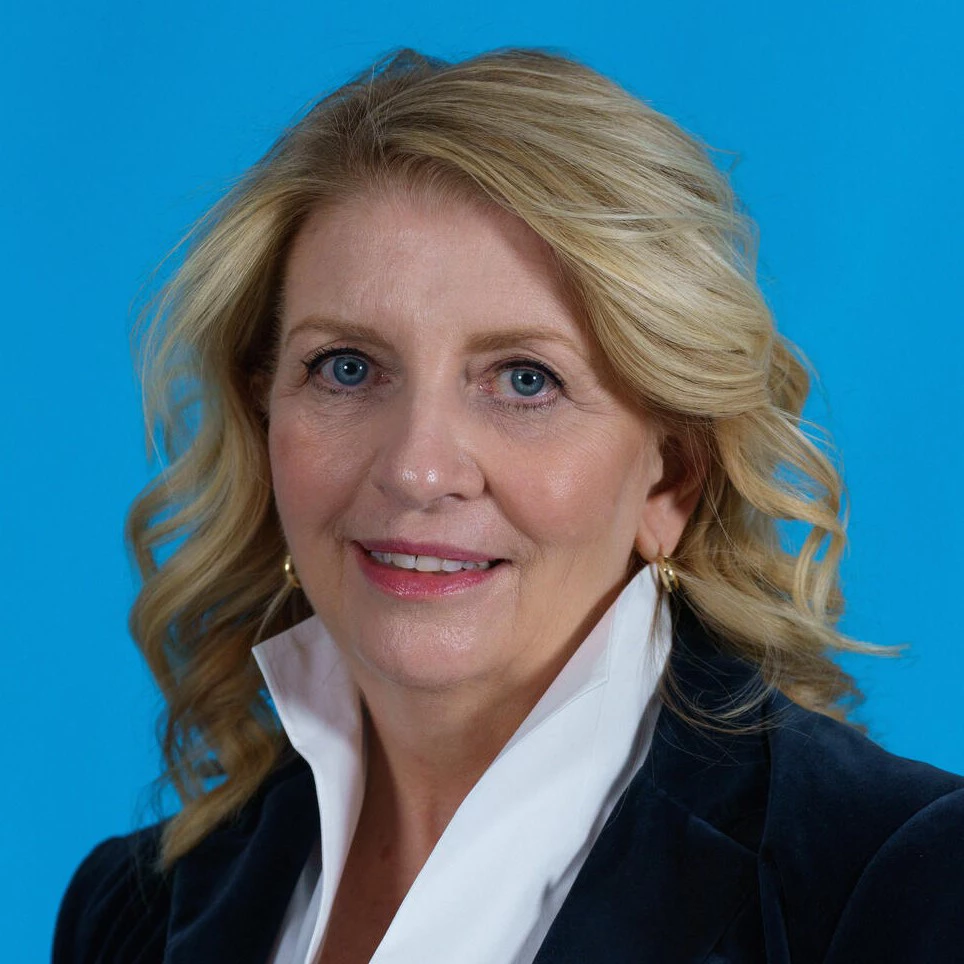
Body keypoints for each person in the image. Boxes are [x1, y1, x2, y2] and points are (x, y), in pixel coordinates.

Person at [53, 47, 964, 964]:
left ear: (670, 479)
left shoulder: (901, 889)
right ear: (264, 419)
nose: (417, 470)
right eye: (347, 368)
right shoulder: (128, 918)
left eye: (524, 380)